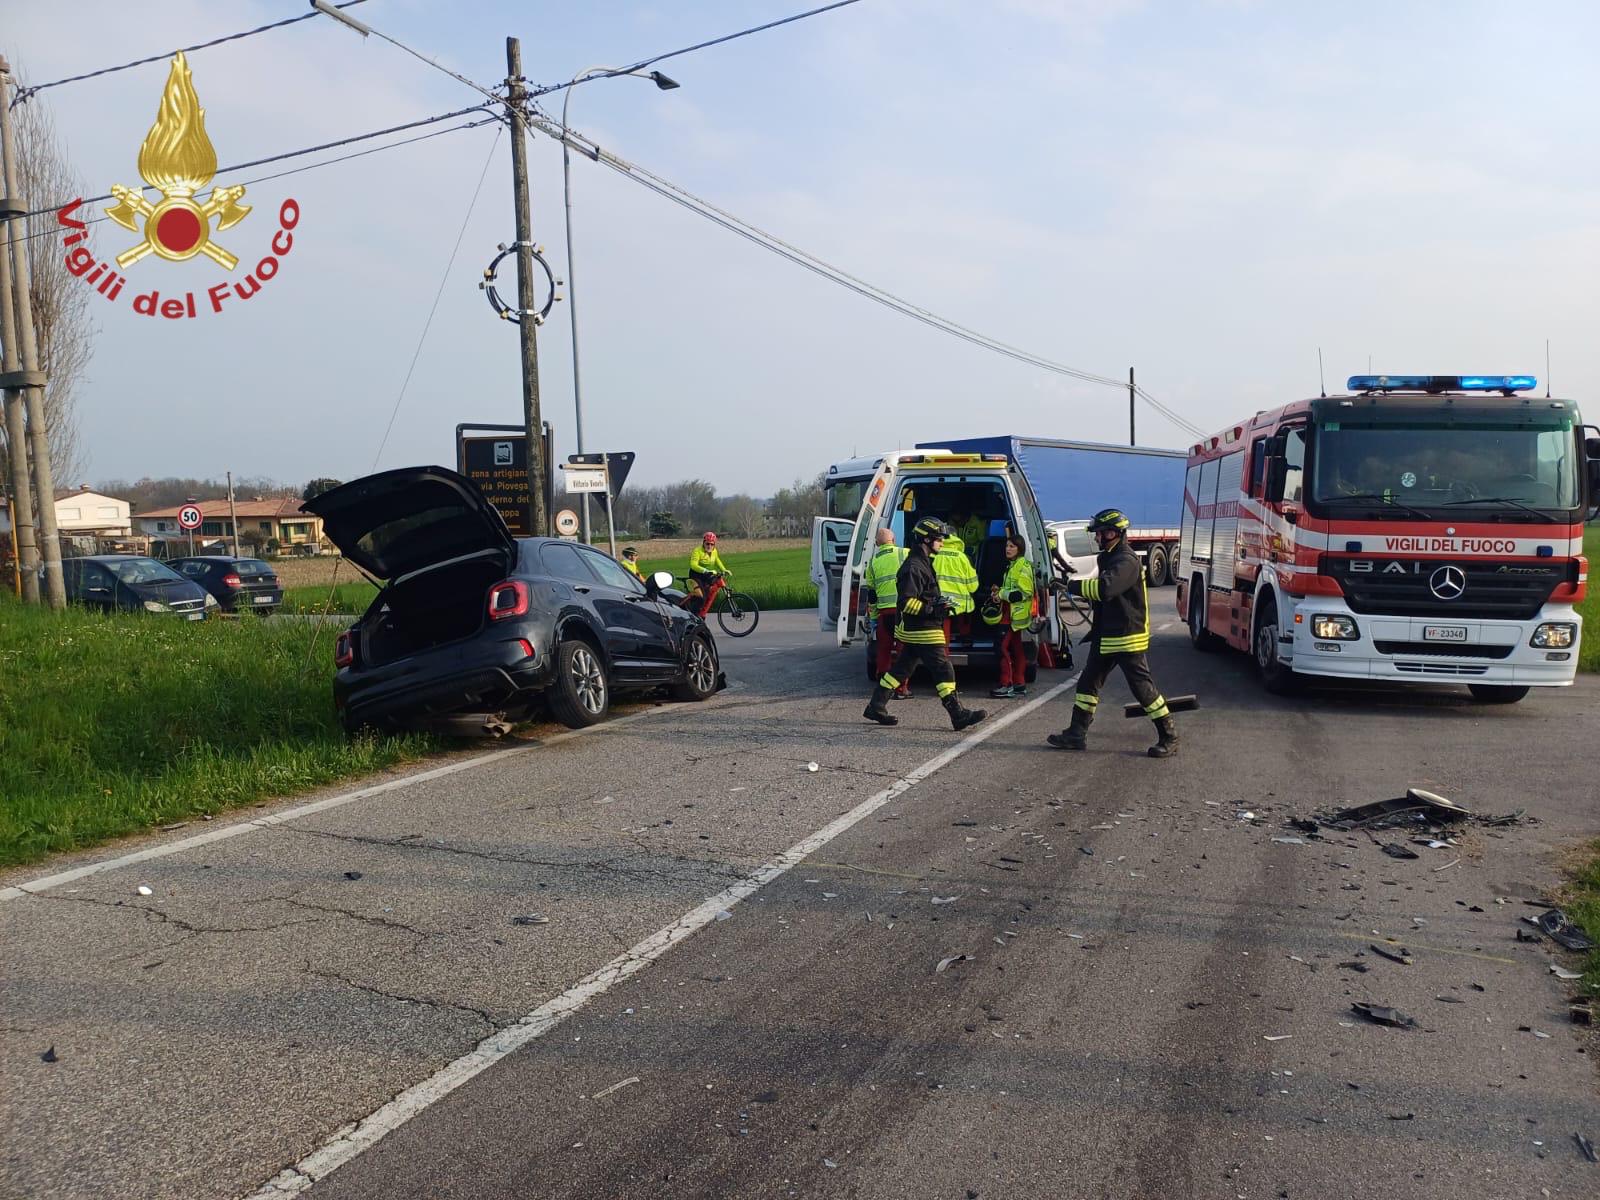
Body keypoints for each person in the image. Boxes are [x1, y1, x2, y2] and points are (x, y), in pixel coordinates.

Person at [1046, 507, 1179, 758]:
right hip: (1106, 635)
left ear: (1113, 533)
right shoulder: (1108, 557)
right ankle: (1076, 734)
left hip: (1126, 637)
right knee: (1087, 684)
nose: (1096, 538)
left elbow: (1106, 589)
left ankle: (1169, 736)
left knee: (1143, 690)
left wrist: (1069, 585)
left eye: (1099, 534)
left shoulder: (1126, 560)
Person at [863, 518, 986, 732]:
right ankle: (957, 714)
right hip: (923, 628)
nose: (942, 542)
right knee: (943, 668)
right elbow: (906, 602)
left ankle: (876, 706)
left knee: (901, 669)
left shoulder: (923, 562)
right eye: (938, 539)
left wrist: (938, 604)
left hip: (919, 627)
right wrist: (933, 610)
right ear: (926, 539)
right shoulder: (913, 567)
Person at [863, 528, 909, 698]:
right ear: (894, 540)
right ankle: (901, 689)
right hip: (904, 611)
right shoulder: (905, 553)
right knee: (903, 651)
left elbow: (872, 595)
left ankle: (883, 688)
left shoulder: (873, 562)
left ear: (876, 543)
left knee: (884, 650)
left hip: (884, 614)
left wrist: (874, 618)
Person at [988, 532, 1034, 699]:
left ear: (1019, 548)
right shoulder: (1013, 565)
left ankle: (1006, 684)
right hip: (1011, 615)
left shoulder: (1022, 566)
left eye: (1012, 546)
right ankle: (1019, 684)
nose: (1008, 549)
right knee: (1017, 649)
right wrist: (999, 593)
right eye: (1007, 546)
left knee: (1001, 648)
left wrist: (1002, 594)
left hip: (1012, 617)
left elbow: (1024, 593)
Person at [932, 530, 979, 638]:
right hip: (960, 606)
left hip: (939, 604)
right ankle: (965, 638)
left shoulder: (933, 555)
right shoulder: (963, 557)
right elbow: (973, 587)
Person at [687, 532, 730, 604]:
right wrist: (705, 570)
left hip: (706, 574)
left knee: (708, 594)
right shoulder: (697, 551)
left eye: (712, 544)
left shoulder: (714, 551)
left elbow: (717, 560)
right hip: (696, 575)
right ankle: (692, 612)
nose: (709, 546)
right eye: (707, 543)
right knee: (701, 597)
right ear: (703, 543)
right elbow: (693, 565)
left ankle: (701, 610)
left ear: (714, 545)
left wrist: (724, 570)